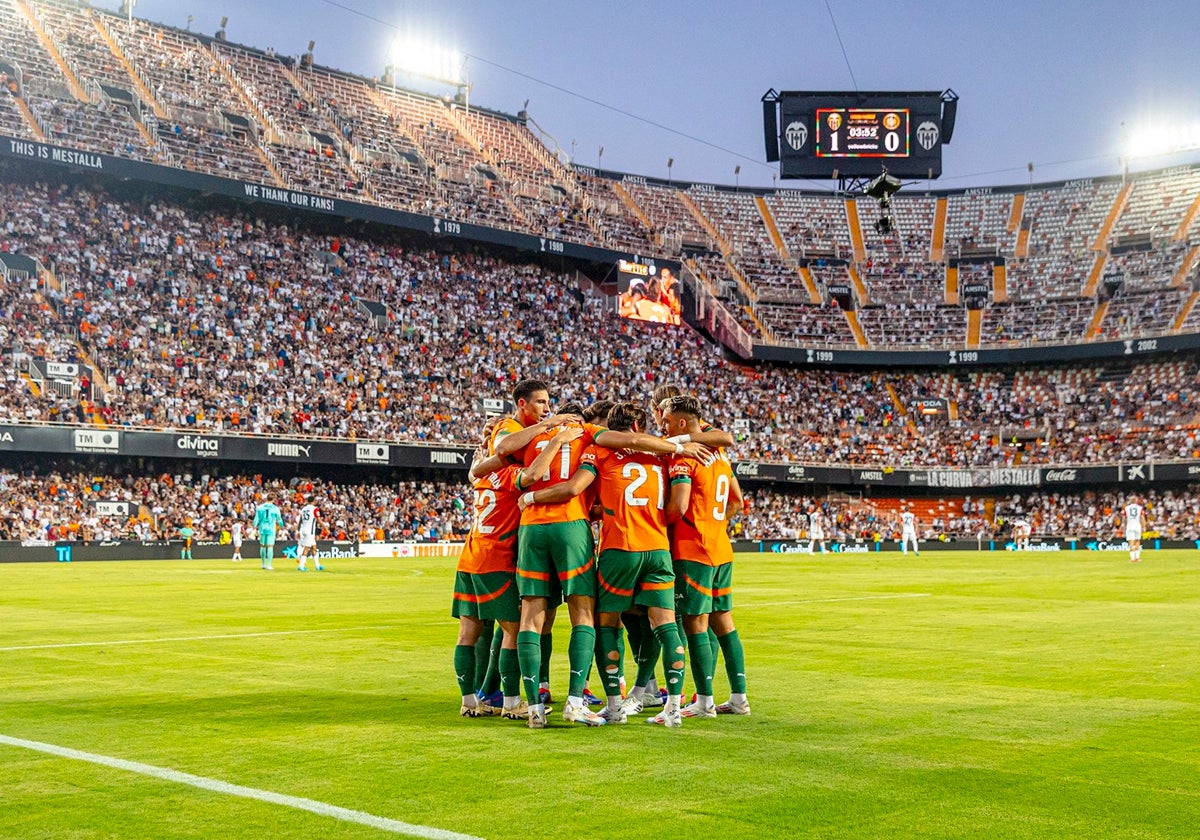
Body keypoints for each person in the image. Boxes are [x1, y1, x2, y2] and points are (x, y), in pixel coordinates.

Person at [498, 381, 712, 729]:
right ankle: (665, 705)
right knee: (637, 621)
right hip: (641, 542)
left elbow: (509, 457)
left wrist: (532, 494)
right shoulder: (640, 449)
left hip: (567, 536)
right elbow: (640, 461)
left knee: (539, 617)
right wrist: (681, 445)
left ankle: (549, 707)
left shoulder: (545, 439)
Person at [455, 423, 583, 719]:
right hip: (497, 561)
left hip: (469, 559)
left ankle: (470, 701)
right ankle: (513, 703)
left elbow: (477, 468)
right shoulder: (509, 475)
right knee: (513, 632)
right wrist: (557, 440)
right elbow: (534, 475)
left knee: (467, 634)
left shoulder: (479, 475)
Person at [662, 395, 750, 718]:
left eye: (668, 421)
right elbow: (738, 500)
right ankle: (740, 698)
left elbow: (680, 505)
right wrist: (716, 524)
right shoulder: (722, 457)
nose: (663, 426)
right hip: (721, 548)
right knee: (724, 623)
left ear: (682, 423)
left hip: (693, 549)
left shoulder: (686, 457)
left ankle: (704, 702)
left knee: (695, 625)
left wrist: (656, 521)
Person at [253, 498, 284, 570]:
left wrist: (254, 527)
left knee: (262, 546)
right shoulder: (275, 508)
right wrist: (281, 526)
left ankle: (263, 564)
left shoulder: (260, 507)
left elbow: (256, 518)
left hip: (262, 528)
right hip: (271, 529)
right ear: (273, 500)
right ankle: (269, 565)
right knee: (270, 546)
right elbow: (279, 519)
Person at [296, 497, 323, 571]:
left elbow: (300, 521)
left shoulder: (303, 509)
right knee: (307, 548)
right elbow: (319, 520)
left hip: (303, 530)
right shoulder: (315, 509)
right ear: (314, 501)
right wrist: (325, 528)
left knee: (314, 547)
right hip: (309, 531)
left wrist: (298, 531)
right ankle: (301, 566)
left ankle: (318, 565)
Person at [1124, 498, 1145, 563]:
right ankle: (1137, 558)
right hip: (1137, 525)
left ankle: (1132, 559)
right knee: (1137, 541)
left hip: (1130, 525)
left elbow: (1124, 518)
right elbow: (1142, 518)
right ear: (1136, 501)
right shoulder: (1140, 508)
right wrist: (1144, 526)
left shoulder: (1126, 508)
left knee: (1131, 542)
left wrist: (1125, 525)